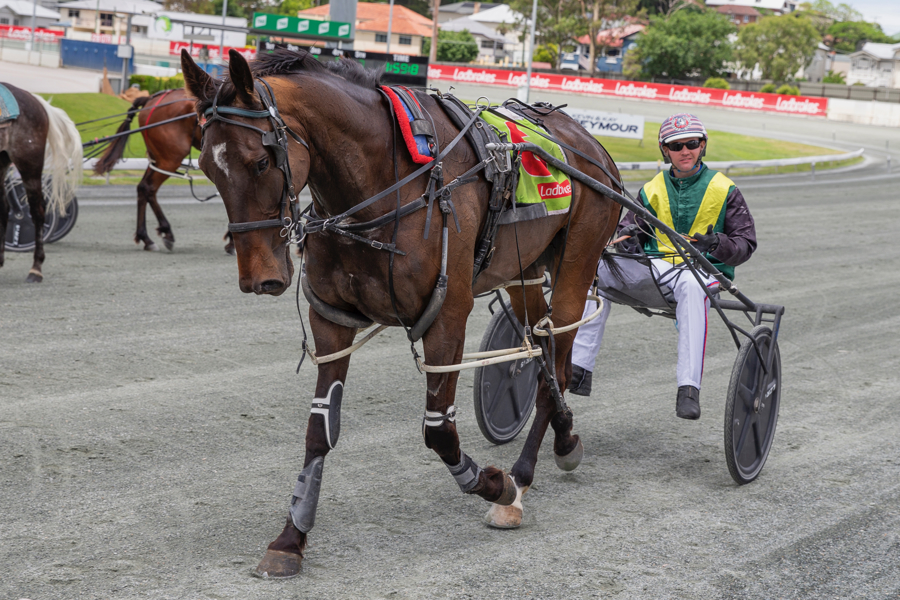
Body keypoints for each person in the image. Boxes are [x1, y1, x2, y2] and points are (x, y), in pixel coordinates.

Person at [568, 113, 757, 420]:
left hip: (703, 272)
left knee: (692, 285)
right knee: (596, 270)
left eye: (691, 144)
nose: (685, 151)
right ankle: (579, 367)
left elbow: (746, 244)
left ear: (703, 146)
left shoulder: (725, 189)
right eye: (676, 146)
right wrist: (626, 242)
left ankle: (688, 389)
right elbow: (630, 230)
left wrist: (716, 243)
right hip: (655, 269)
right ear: (665, 150)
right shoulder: (652, 188)